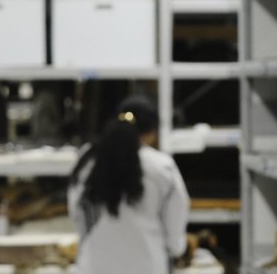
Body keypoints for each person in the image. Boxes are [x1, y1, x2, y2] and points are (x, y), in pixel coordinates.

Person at [68, 96, 190, 273]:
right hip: (147, 266)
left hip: (94, 267)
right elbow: (174, 239)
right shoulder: (162, 167)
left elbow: (77, 215)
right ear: (151, 133)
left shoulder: (87, 161)